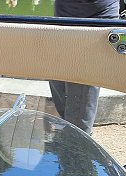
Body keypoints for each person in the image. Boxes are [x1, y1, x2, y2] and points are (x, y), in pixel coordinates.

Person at [47, 0, 122, 134]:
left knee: (83, 81)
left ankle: (79, 140)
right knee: (56, 75)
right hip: (64, 14)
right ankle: (72, 133)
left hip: (98, 15)